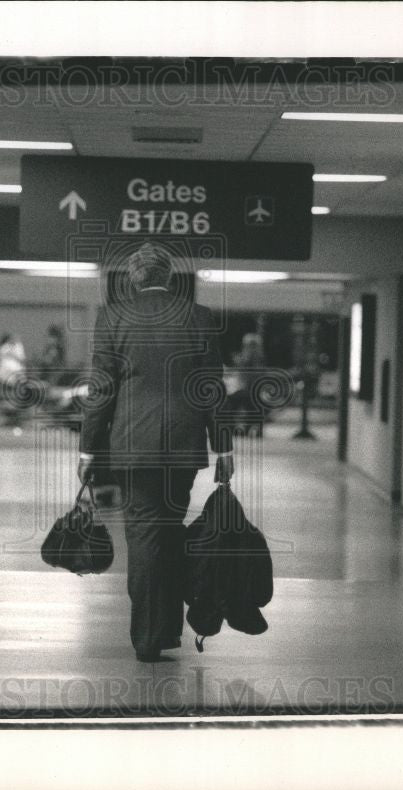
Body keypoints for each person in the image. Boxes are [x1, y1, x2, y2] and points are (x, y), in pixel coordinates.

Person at [77, 242, 234, 662]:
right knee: (167, 532)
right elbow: (211, 388)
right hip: (184, 448)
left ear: (133, 278)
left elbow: (101, 388)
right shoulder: (199, 317)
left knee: (145, 538)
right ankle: (164, 631)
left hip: (133, 447)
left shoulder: (112, 317)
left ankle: (148, 637)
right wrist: (224, 447)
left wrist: (89, 447)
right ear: (168, 277)